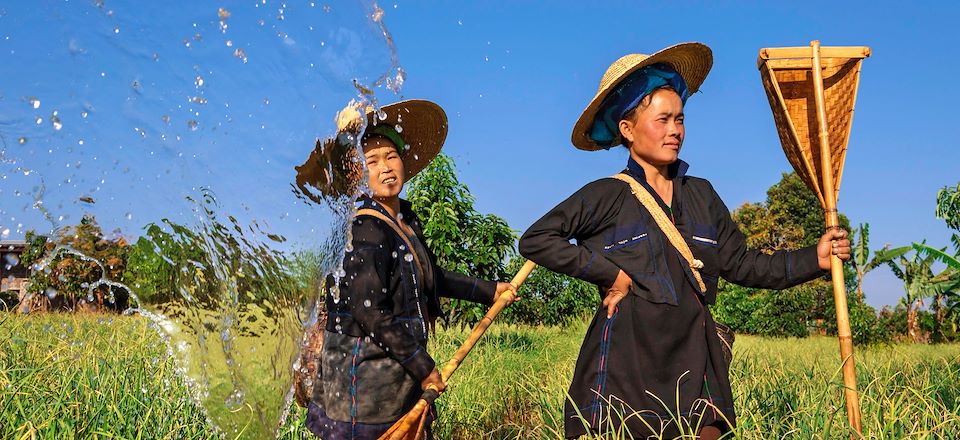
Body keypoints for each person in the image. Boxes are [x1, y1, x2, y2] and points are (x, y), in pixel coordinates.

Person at [518, 43, 851, 439]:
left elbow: (742, 264)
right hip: (628, 368)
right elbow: (537, 239)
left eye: (680, 119)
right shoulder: (606, 195)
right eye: (662, 120)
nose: (675, 130)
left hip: (696, 361)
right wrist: (609, 273)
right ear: (627, 129)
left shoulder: (701, 195)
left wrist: (815, 258)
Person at [295, 99, 517, 439]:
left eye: (391, 156)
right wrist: (424, 366)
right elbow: (370, 313)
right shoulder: (365, 229)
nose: (385, 167)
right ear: (357, 174)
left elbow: (432, 278)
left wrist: (490, 290)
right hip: (363, 392)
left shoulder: (402, 223)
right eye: (372, 161)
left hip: (393, 381)